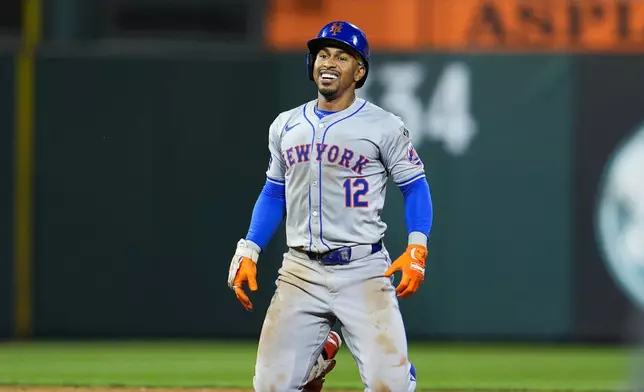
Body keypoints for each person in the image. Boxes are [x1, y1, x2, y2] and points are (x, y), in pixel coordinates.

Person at [227, 20, 433, 392]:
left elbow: (415, 186)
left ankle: (400, 372)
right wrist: (249, 248)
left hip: (364, 269)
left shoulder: (384, 126)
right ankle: (317, 357)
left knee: (392, 388)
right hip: (300, 271)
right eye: (322, 54)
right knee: (270, 389)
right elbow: (274, 193)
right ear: (311, 65)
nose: (329, 62)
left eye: (342, 56)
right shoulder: (285, 125)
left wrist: (417, 247)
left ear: (360, 70)